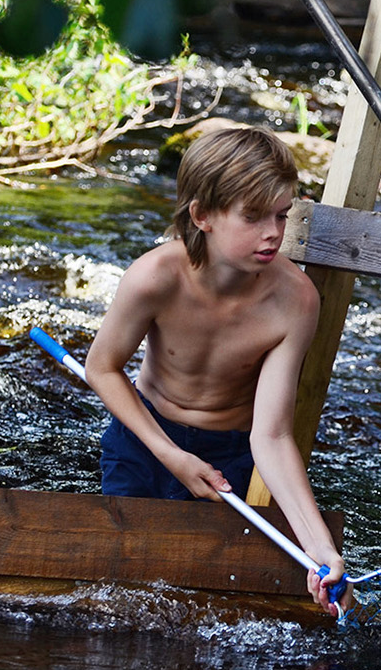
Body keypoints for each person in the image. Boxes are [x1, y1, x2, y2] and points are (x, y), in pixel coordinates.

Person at [86, 126, 347, 613]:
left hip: (232, 457)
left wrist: (321, 548)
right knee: (123, 589)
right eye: (253, 217)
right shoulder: (154, 277)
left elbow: (270, 435)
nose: (274, 233)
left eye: (282, 215)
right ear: (202, 215)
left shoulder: (295, 302)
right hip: (144, 438)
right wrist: (169, 455)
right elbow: (102, 368)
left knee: (207, 599)